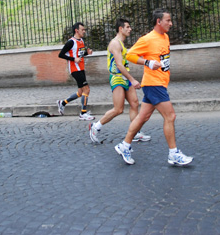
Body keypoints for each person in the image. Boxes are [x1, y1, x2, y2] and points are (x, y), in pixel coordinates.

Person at [114, 9, 193, 166]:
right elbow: (129, 55)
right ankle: (173, 154)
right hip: (153, 84)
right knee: (170, 116)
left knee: (143, 117)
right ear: (159, 22)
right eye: (168, 20)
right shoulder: (148, 39)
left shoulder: (165, 37)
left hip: (158, 83)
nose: (171, 23)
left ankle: (124, 145)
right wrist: (147, 62)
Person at [89, 18, 151, 144]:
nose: (130, 29)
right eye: (127, 27)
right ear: (120, 29)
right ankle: (96, 126)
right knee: (118, 109)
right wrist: (132, 80)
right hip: (117, 78)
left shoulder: (121, 44)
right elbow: (119, 65)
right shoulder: (115, 44)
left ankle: (135, 133)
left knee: (134, 103)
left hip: (124, 78)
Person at [56, 22, 95, 121]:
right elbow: (60, 55)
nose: (84, 31)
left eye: (84, 30)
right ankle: (83, 113)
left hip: (81, 68)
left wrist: (87, 53)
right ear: (76, 30)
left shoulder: (81, 40)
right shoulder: (71, 42)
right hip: (75, 69)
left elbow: (79, 54)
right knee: (87, 90)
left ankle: (63, 103)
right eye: (82, 30)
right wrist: (73, 59)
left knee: (80, 92)